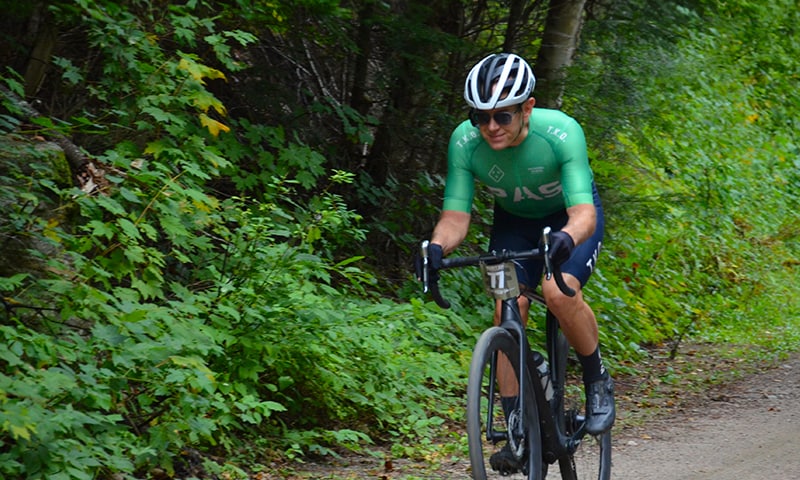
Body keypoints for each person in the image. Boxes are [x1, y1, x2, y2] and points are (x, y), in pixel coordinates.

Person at [420, 52, 615, 473]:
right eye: (481, 116)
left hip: (569, 220)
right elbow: (456, 217)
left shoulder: (562, 133)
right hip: (514, 225)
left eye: (503, 116)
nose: (491, 127)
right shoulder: (464, 141)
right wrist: (436, 247)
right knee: (508, 306)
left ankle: (598, 379)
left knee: (556, 290)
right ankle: (517, 428)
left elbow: (584, 213)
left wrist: (566, 237)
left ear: (528, 107)